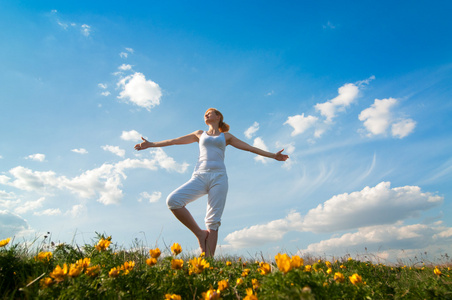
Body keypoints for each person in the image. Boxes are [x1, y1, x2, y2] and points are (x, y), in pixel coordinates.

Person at [134, 108, 289, 257]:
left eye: (210, 113)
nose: (206, 115)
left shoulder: (226, 136)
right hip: (199, 176)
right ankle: (200, 234)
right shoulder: (199, 134)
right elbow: (174, 141)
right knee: (173, 201)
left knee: (213, 221)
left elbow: (249, 148)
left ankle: (208, 263)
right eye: (205, 114)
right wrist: (151, 144)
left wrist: (273, 156)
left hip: (219, 178)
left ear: (218, 117)